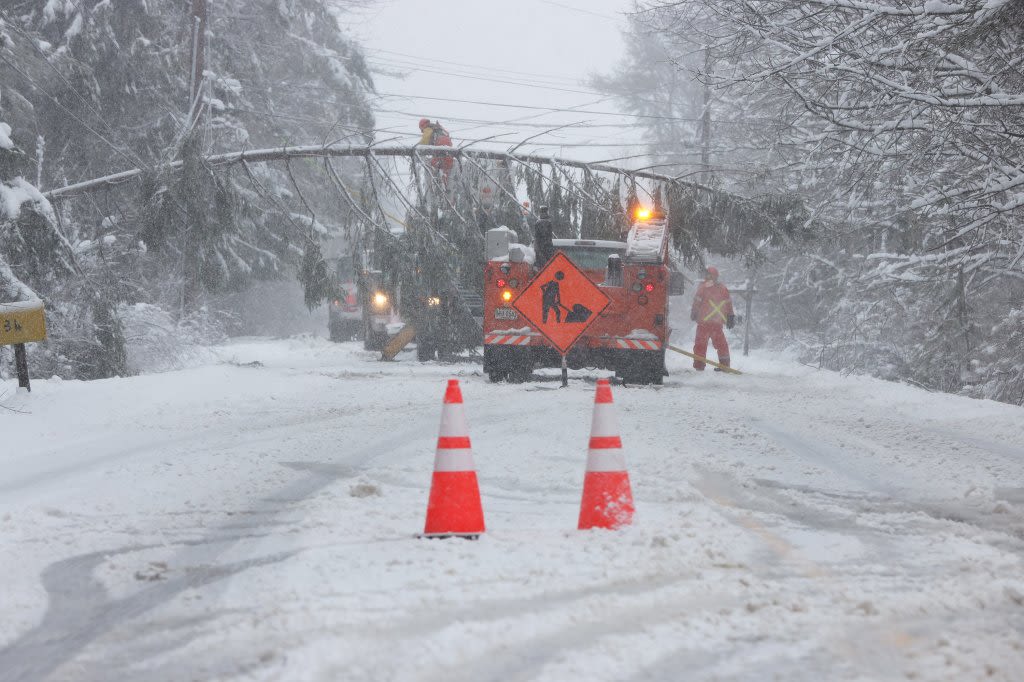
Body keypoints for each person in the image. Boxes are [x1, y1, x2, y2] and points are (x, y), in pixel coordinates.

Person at [690, 266, 735, 370]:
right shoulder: (723, 288)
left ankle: (699, 366)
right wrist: (730, 316)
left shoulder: (703, 287)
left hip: (703, 323)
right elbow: (728, 304)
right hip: (716, 323)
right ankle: (724, 366)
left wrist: (694, 313)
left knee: (700, 346)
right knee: (721, 345)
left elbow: (697, 302)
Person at [417, 118, 454, 184]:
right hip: (448, 146)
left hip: (439, 144)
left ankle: (437, 181)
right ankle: (446, 181)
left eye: (421, 129)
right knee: (447, 164)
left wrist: (418, 148)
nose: (421, 131)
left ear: (423, 125)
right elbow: (448, 136)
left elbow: (424, 141)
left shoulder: (428, 128)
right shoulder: (439, 128)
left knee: (434, 163)